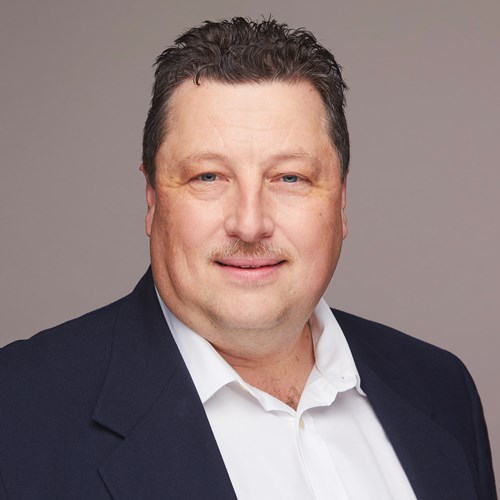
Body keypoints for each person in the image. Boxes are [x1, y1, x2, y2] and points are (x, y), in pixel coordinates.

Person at [0, 17, 496, 500]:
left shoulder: (440, 388)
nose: (250, 223)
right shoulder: (18, 411)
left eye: (290, 177)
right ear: (152, 199)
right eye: (208, 177)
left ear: (341, 202)